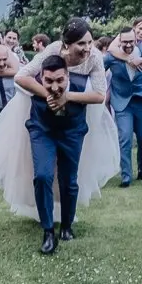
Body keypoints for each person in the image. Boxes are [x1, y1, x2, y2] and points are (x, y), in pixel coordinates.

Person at [0, 18, 120, 227]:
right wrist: (49, 95)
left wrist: (66, 97)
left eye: (89, 42)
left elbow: (98, 95)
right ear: (66, 45)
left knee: (69, 175)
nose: (87, 48)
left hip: (75, 117)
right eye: (81, 44)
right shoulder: (52, 51)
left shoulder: (95, 57)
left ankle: (66, 220)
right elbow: (22, 76)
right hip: (42, 115)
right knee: (41, 172)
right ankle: (46, 223)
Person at [24, 54, 106, 254]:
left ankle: (67, 226)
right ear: (41, 77)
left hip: (72, 133)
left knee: (69, 180)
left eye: (60, 80)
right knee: (42, 176)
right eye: (48, 80)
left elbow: (99, 97)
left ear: (68, 75)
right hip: (42, 132)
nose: (54, 87)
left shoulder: (82, 86)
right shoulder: (32, 85)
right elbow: (18, 78)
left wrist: (67, 97)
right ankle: (48, 230)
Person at [104, 28, 142, 188]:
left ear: (135, 40)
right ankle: (126, 176)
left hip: (141, 99)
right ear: (119, 41)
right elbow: (98, 71)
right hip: (121, 102)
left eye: (131, 41)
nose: (128, 45)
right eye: (125, 41)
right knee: (125, 138)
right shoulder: (111, 57)